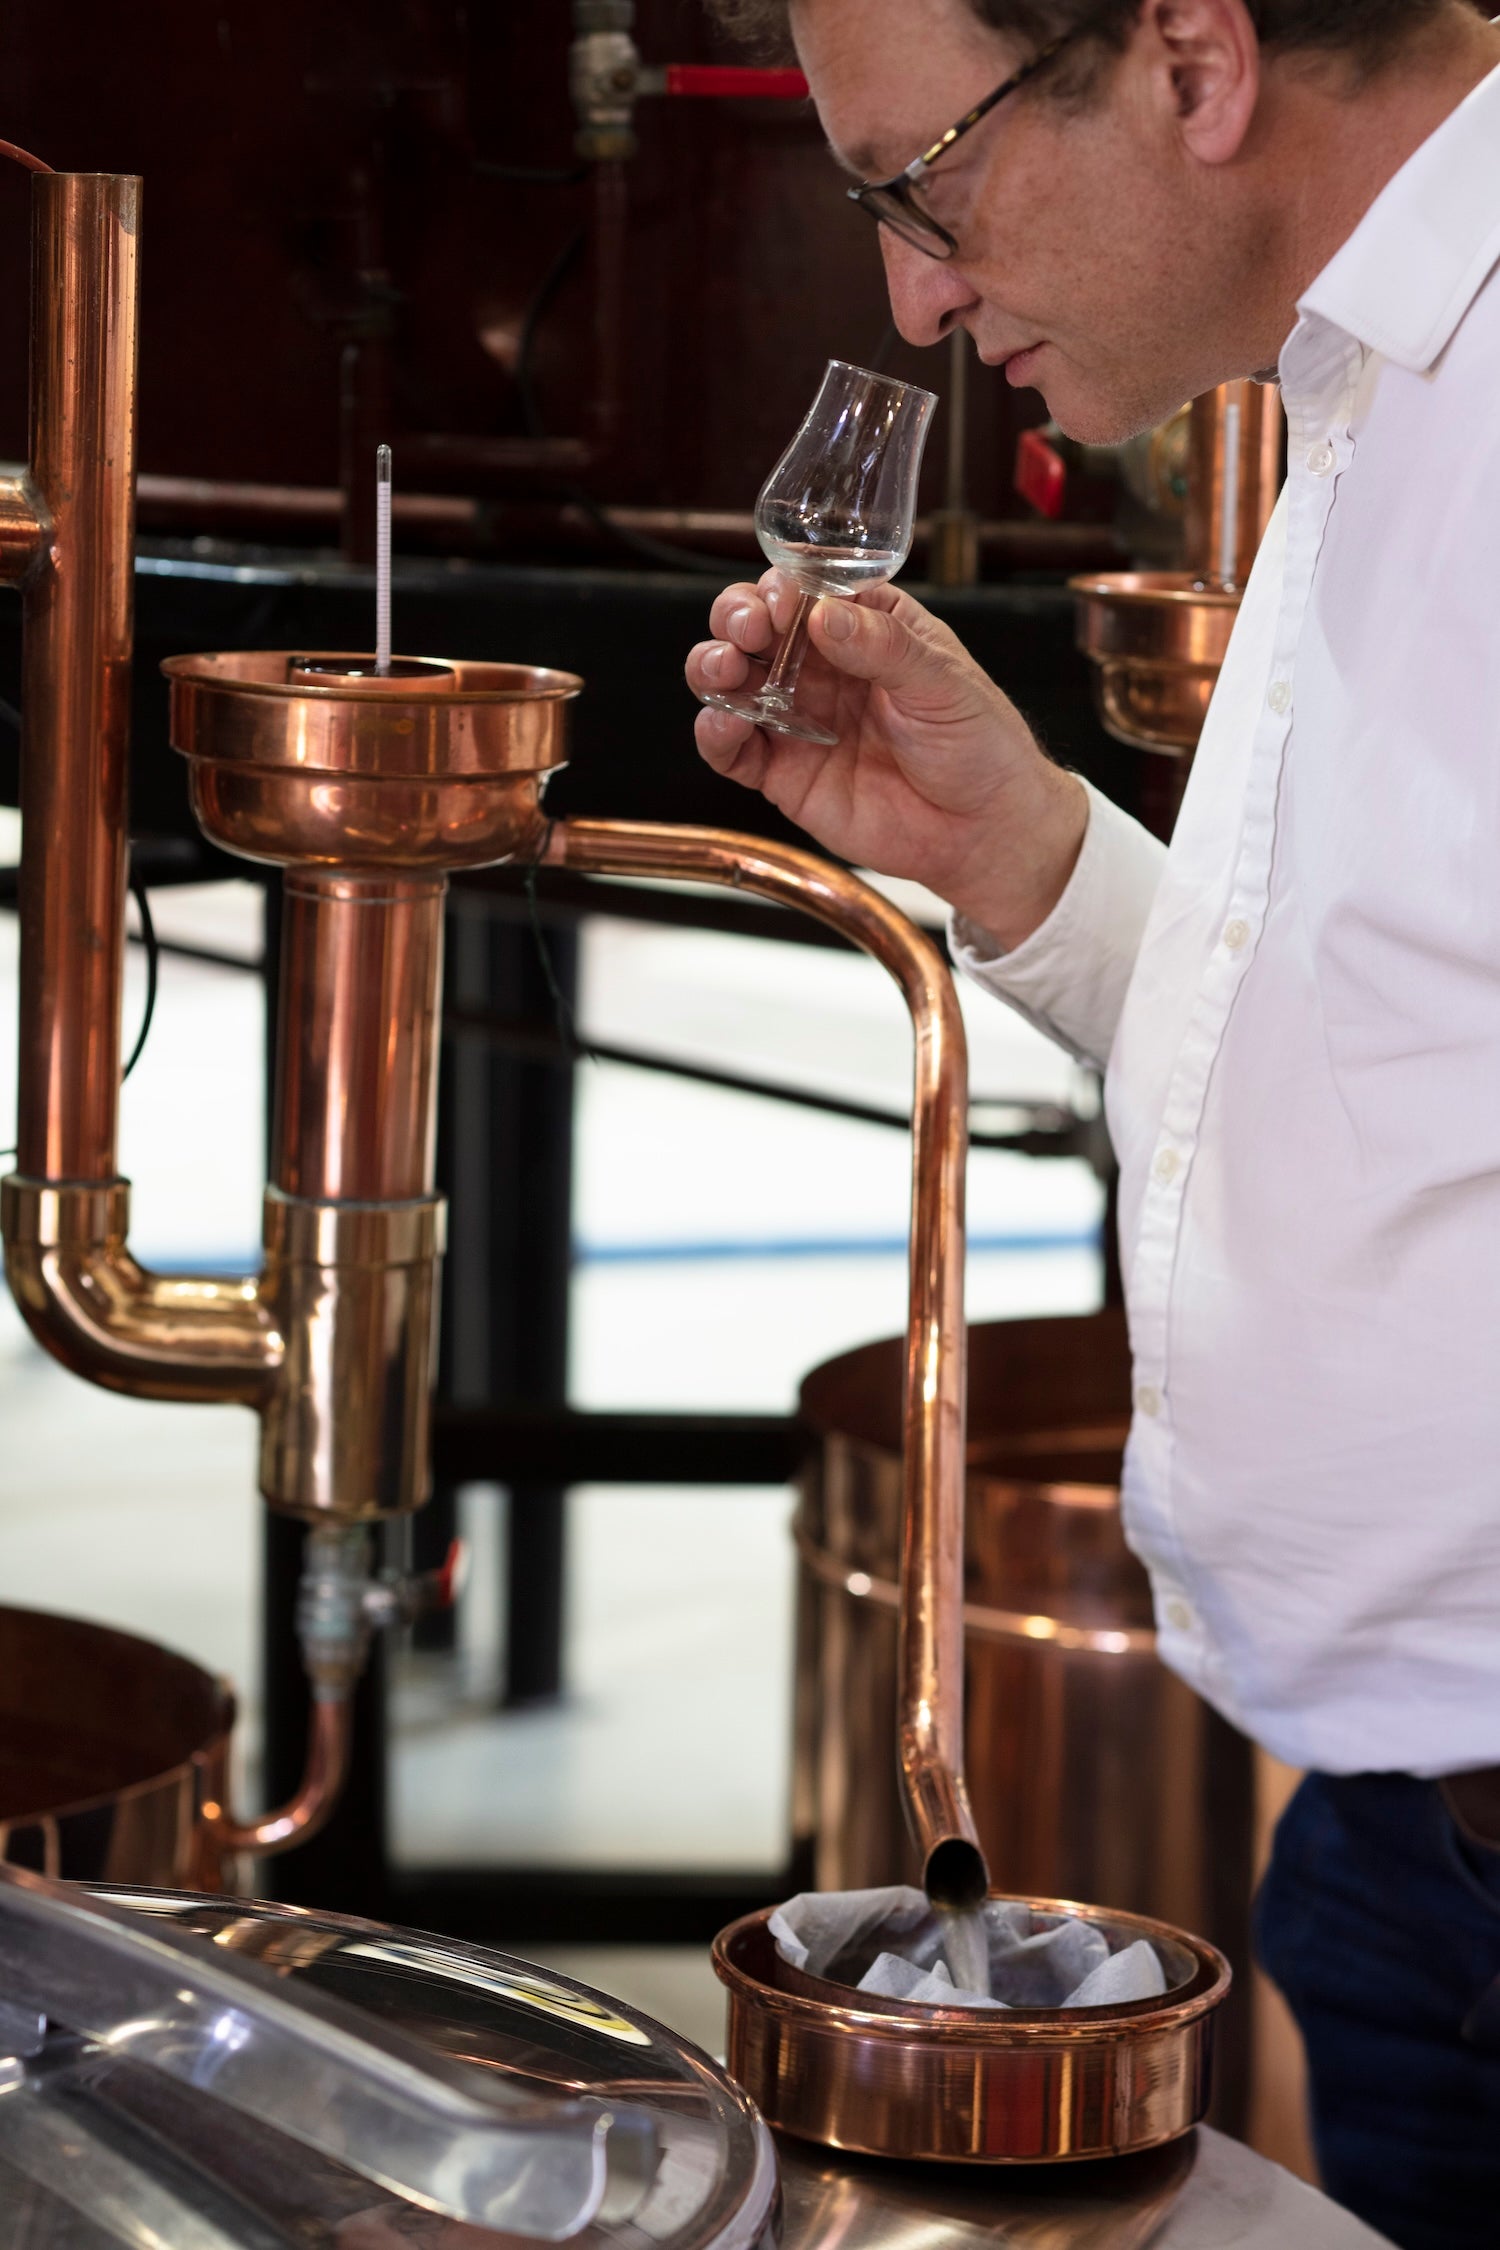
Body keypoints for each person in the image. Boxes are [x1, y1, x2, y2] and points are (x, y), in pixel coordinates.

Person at [683, 2, 1500, 2243]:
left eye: (915, 184)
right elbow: (1390, 1047)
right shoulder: (1381, 383)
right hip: (1402, 1852)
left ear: (1194, 59)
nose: (910, 293)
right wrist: (1028, 853)